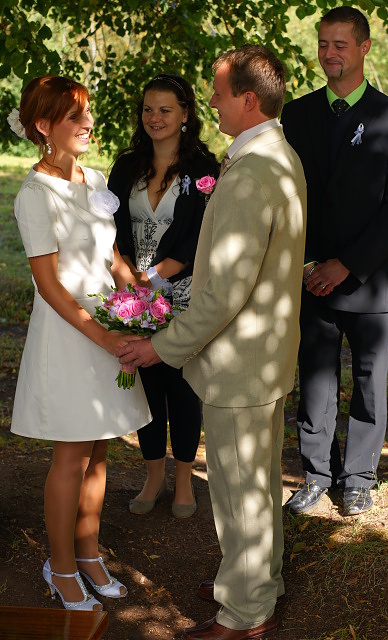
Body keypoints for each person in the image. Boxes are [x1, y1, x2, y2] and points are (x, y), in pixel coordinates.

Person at [116, 45, 307, 640]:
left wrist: (160, 347)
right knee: (257, 484)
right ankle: (255, 582)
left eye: (219, 94)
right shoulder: (277, 155)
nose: (212, 104)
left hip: (239, 363)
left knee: (240, 491)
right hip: (263, 357)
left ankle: (245, 614)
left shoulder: (250, 174)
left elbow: (223, 292)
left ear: (248, 99)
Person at [9, 75, 151, 610]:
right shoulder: (35, 195)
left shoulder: (93, 178)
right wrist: (105, 336)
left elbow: (110, 256)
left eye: (87, 113)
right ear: (44, 126)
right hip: (71, 336)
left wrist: (141, 300)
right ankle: (61, 566)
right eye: (75, 116)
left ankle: (89, 554)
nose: (88, 123)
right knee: (71, 456)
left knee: (100, 449)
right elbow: (49, 285)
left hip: (109, 329)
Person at [281, 6, 388, 517]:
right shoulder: (296, 115)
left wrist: (348, 265)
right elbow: (287, 196)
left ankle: (359, 478)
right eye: (323, 43)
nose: (329, 53)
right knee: (315, 380)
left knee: (368, 382)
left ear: (364, 48)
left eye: (340, 44)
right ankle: (316, 474)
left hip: (369, 280)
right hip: (310, 277)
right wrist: (307, 262)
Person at [108, 74, 219, 518]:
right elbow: (109, 226)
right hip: (132, 292)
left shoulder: (204, 169)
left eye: (165, 110)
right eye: (148, 109)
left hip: (183, 291)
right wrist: (125, 274)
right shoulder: (126, 167)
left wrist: (153, 276)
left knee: (183, 387)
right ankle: (153, 476)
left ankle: (185, 480)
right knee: (147, 386)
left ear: (185, 114)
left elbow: (201, 235)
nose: (155, 118)